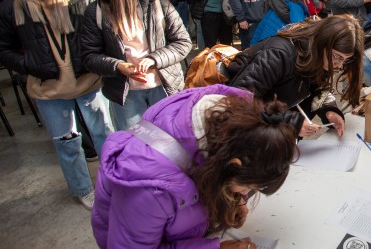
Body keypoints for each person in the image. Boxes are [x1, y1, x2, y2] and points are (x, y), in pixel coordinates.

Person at [92, 84, 298, 249]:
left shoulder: (222, 126)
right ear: (234, 166)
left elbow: (212, 172)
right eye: (248, 188)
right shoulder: (150, 190)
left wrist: (234, 200)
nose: (247, 193)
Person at [0, 0, 114, 210]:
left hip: (88, 83)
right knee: (67, 144)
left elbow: (100, 39)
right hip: (48, 91)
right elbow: (3, 48)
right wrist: (29, 65)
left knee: (105, 136)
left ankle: (114, 183)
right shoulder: (12, 8)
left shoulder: (81, 2)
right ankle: (83, 189)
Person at [81, 0, 192, 131]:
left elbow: (183, 42)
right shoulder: (95, 11)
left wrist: (154, 59)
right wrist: (118, 66)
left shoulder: (158, 3)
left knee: (172, 140)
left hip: (164, 88)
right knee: (134, 145)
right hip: (125, 94)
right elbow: (89, 56)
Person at [227, 15, 364, 138]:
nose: (339, 65)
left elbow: (315, 89)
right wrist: (290, 121)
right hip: (243, 137)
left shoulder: (320, 57)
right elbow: (237, 101)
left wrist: (329, 110)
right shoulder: (279, 55)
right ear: (323, 43)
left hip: (273, 138)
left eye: (346, 60)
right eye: (337, 57)